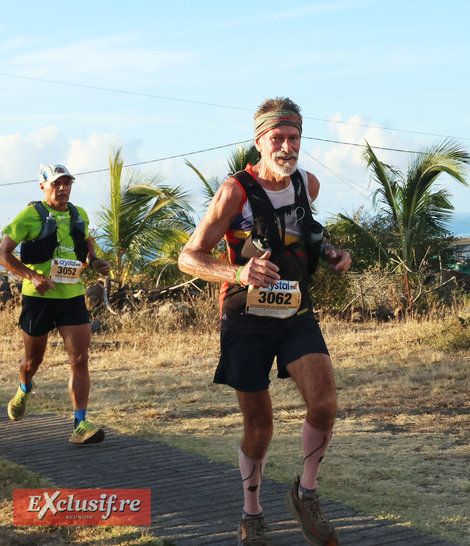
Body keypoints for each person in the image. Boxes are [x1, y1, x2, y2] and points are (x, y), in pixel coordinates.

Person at [179, 97, 351, 546]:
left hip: (295, 312)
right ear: (259, 141)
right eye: (278, 138)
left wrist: (330, 251)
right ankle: (252, 513)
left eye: (294, 138)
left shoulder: (307, 184)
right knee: (260, 427)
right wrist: (238, 271)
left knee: (325, 404)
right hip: (245, 318)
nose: (288, 146)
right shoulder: (234, 191)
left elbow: (304, 228)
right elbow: (189, 257)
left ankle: (306, 492)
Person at [0, 164, 111, 445]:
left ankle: (80, 424)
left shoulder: (78, 214)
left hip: (71, 297)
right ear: (43, 187)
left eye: (67, 183)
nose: (62, 188)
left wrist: (96, 263)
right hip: (38, 299)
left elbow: (87, 250)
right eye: (56, 184)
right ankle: (24, 387)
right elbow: (2, 256)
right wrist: (33, 276)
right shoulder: (30, 215)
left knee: (81, 358)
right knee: (33, 361)